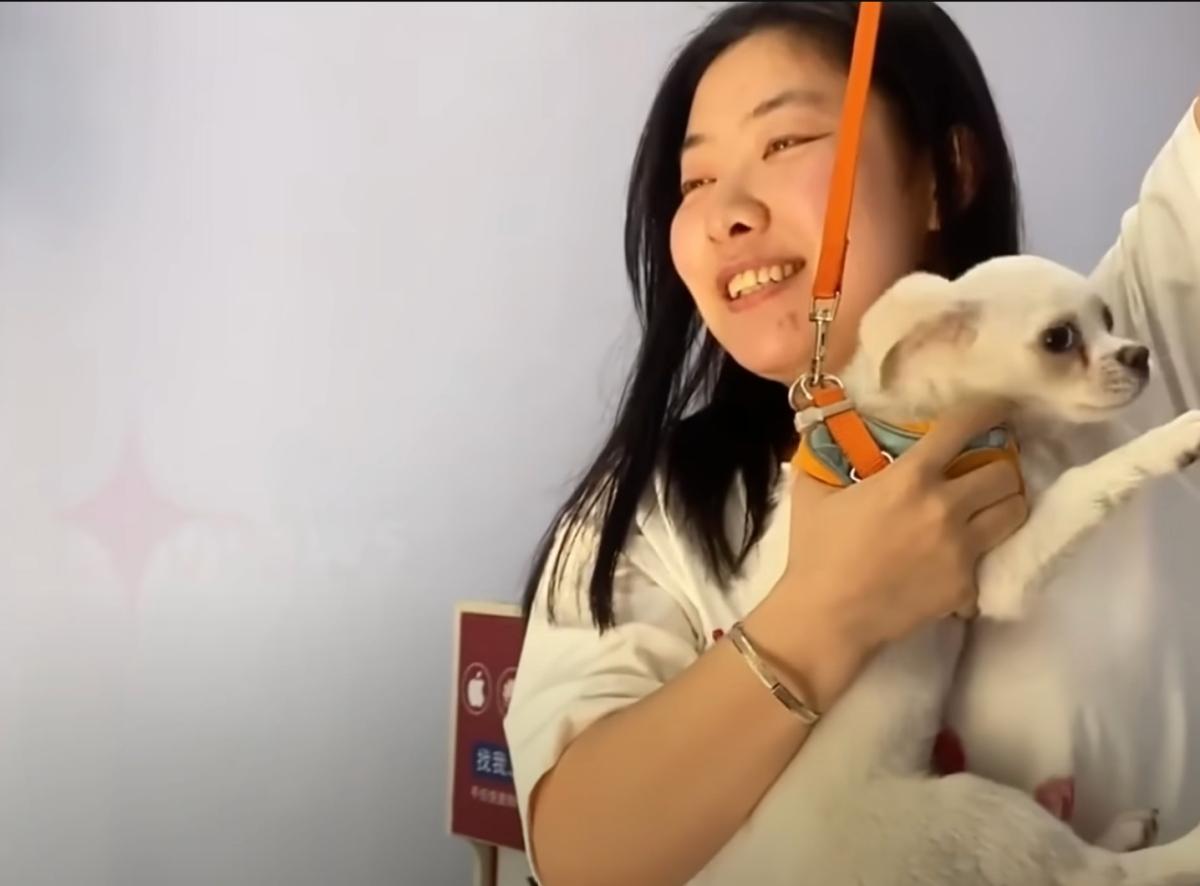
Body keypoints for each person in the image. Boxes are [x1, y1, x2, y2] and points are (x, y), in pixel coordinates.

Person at [502, 2, 1200, 884]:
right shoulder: (650, 514)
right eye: (694, 182)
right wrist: (829, 606)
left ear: (944, 174)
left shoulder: (1128, 356)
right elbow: (581, 857)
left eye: (785, 143)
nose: (727, 213)